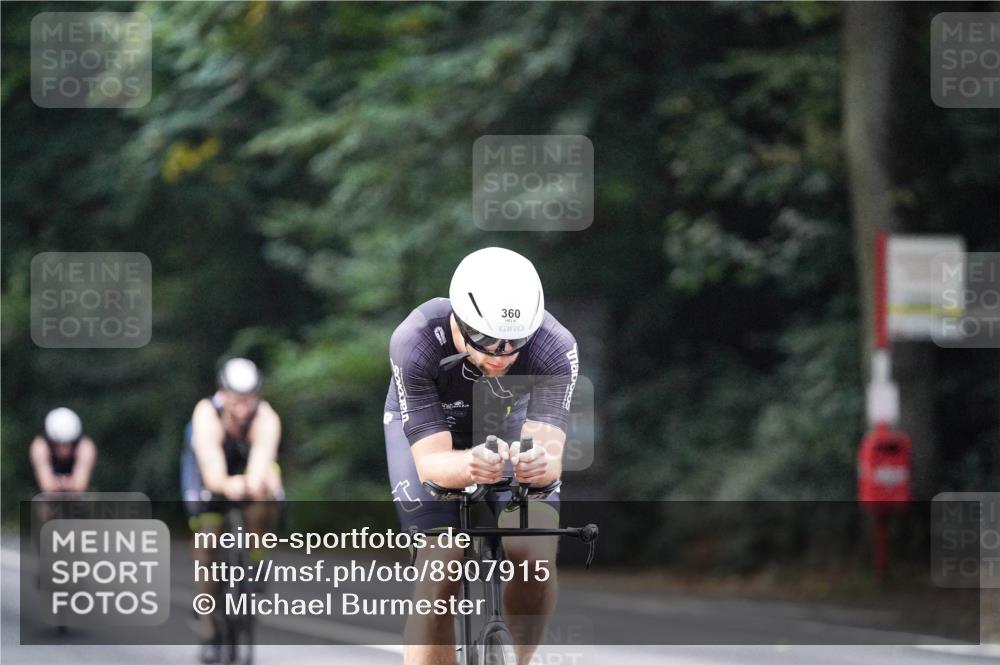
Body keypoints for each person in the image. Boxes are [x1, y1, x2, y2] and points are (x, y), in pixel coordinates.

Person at [385, 246, 580, 665]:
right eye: (488, 341)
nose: (501, 356)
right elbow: (432, 463)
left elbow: (549, 454)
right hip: (432, 433)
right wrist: (468, 464)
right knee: (439, 575)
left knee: (536, 557)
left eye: (515, 344)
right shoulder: (415, 340)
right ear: (460, 319)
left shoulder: (555, 346)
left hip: (509, 426)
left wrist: (536, 466)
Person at [180, 358, 283, 664]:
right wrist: (226, 485)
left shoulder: (265, 416)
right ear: (222, 394)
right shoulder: (206, 414)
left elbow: (262, 459)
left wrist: (252, 484)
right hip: (207, 470)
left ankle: (256, 556)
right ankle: (209, 630)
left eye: (249, 401)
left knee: (270, 486)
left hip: (246, 470)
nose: (242, 410)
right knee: (207, 540)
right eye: (236, 402)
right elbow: (211, 470)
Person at [30, 407, 96, 494]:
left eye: (68, 444)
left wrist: (60, 484)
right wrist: (68, 483)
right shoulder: (39, 447)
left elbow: (80, 486)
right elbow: (46, 486)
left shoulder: (85, 447)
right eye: (58, 444)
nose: (64, 450)